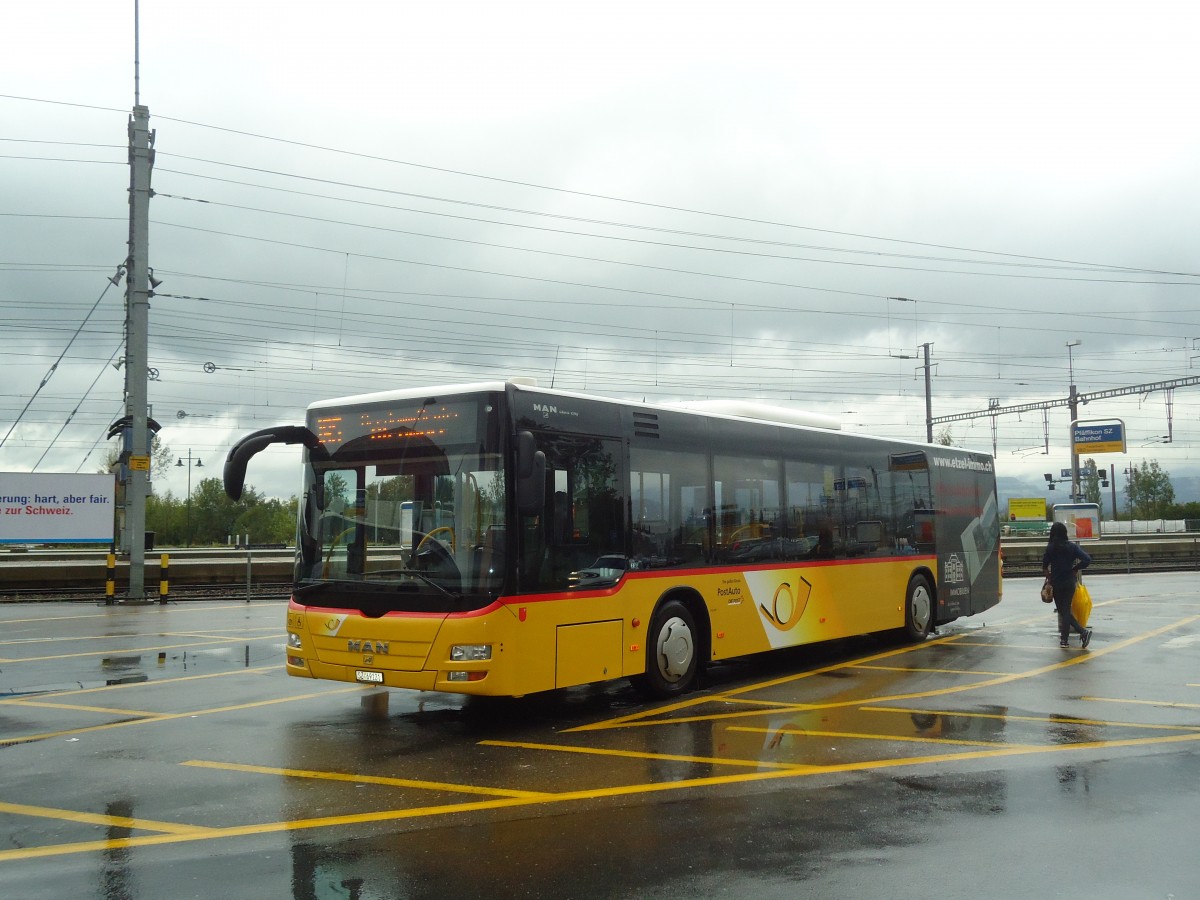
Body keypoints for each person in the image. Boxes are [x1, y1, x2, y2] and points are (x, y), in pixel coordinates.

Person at [1042, 521, 1092, 649]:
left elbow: (1044, 567)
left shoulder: (1051, 548)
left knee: (1063, 611)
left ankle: (1081, 632)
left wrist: (1048, 578)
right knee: (1065, 610)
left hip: (1057, 583)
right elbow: (1087, 559)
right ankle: (1065, 640)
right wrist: (1075, 568)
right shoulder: (1072, 547)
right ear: (1064, 533)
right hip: (1070, 582)